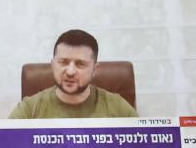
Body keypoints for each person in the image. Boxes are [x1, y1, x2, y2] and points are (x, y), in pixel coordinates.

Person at [8, 30, 137, 119]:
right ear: (52, 65)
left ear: (95, 70)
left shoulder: (116, 105)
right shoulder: (31, 107)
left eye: (80, 64)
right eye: (63, 62)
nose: (70, 72)